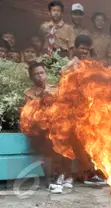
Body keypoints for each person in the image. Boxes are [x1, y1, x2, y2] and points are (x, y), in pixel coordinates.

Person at [24, 61, 74, 194]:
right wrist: (40, 99)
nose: (40, 76)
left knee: (66, 134)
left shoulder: (54, 89)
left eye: (41, 73)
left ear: (45, 74)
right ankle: (53, 179)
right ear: (31, 77)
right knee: (49, 141)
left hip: (56, 124)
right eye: (36, 74)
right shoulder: (29, 93)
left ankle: (65, 175)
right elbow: (30, 114)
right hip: (40, 128)